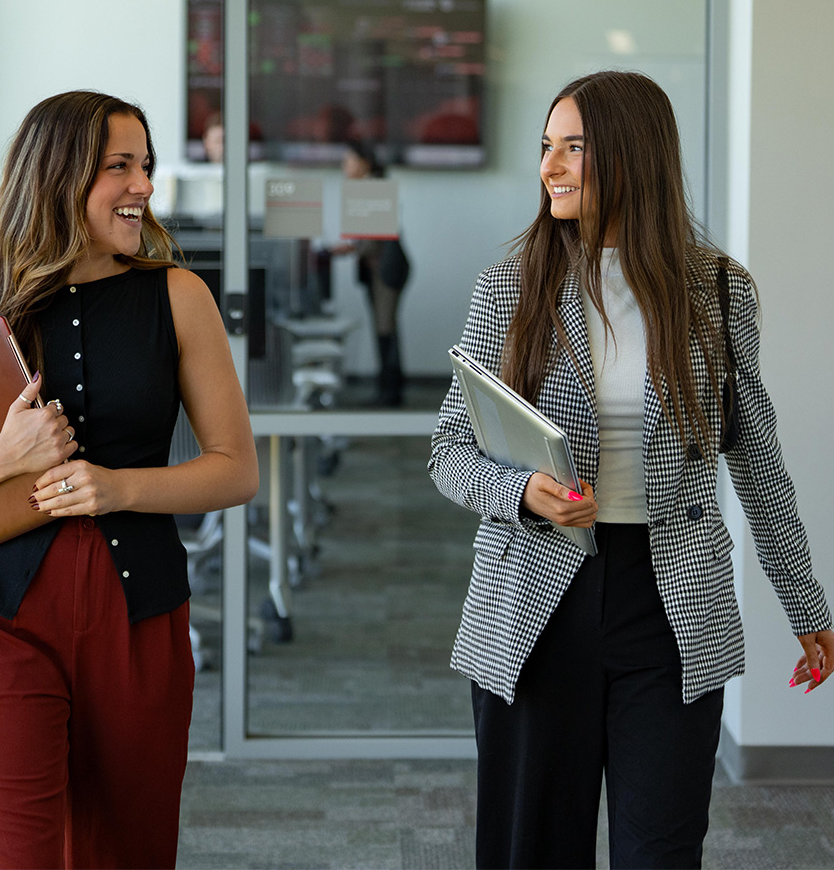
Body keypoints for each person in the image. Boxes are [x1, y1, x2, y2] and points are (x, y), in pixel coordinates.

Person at [428, 70, 832, 870]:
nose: (550, 166)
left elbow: (757, 459)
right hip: (536, 601)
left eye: (573, 147)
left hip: (670, 607)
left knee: (662, 850)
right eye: (546, 147)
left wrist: (804, 599)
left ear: (633, 154)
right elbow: (448, 450)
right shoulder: (511, 284)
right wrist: (523, 493)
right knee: (530, 849)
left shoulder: (715, 289)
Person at [0, 90, 259, 869]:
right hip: (0, 627)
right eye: (120, 166)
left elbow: (235, 468)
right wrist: (6, 457)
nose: (144, 185)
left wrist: (119, 488)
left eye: (144, 165)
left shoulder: (178, 297)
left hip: (140, 621)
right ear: (58, 175)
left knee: (130, 855)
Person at [334, 140, 411, 406]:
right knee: (385, 328)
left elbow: (373, 238)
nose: (344, 166)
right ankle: (389, 389)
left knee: (385, 328)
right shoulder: (367, 187)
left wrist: (348, 248)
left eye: (349, 160)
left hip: (386, 270)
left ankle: (390, 393)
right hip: (378, 269)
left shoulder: (374, 188)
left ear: (364, 162)